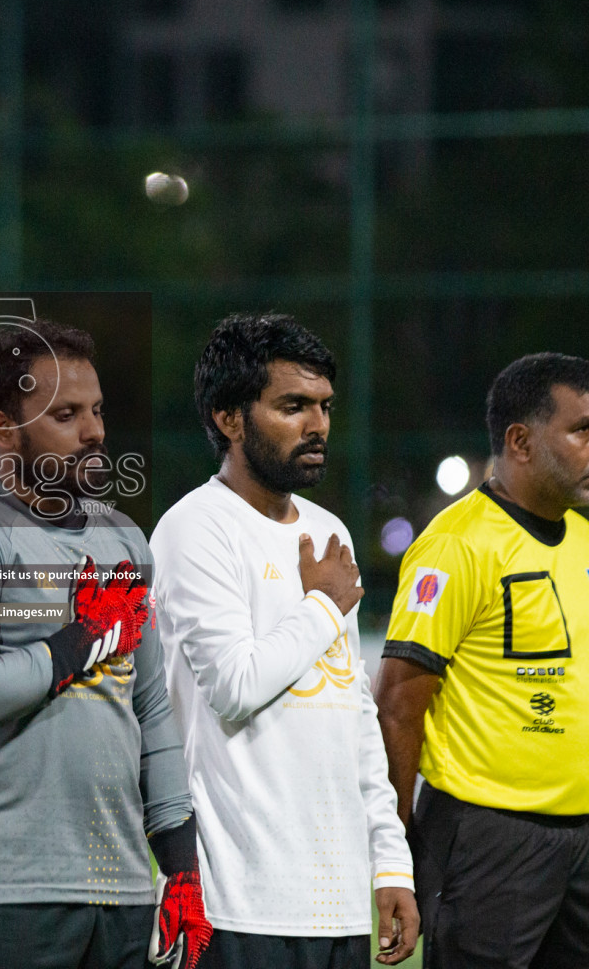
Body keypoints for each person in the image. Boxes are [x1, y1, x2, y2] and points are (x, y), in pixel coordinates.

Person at [0, 319, 211, 969]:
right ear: (1, 428)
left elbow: (151, 711)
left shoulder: (126, 539)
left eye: (96, 410)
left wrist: (181, 866)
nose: (95, 432)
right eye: (66, 415)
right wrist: (79, 642)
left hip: (124, 892)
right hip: (4, 895)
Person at [151, 313, 416, 969]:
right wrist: (324, 605)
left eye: (324, 406)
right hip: (235, 903)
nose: (317, 424)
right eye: (292, 406)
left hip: (334, 903)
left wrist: (390, 863)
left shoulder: (331, 533)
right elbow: (235, 687)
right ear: (229, 418)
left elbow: (355, 716)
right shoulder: (195, 529)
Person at [375, 352, 589, 969]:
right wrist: (394, 851)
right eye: (584, 428)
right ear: (520, 441)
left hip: (579, 837)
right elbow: (399, 704)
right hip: (487, 839)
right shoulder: (458, 544)